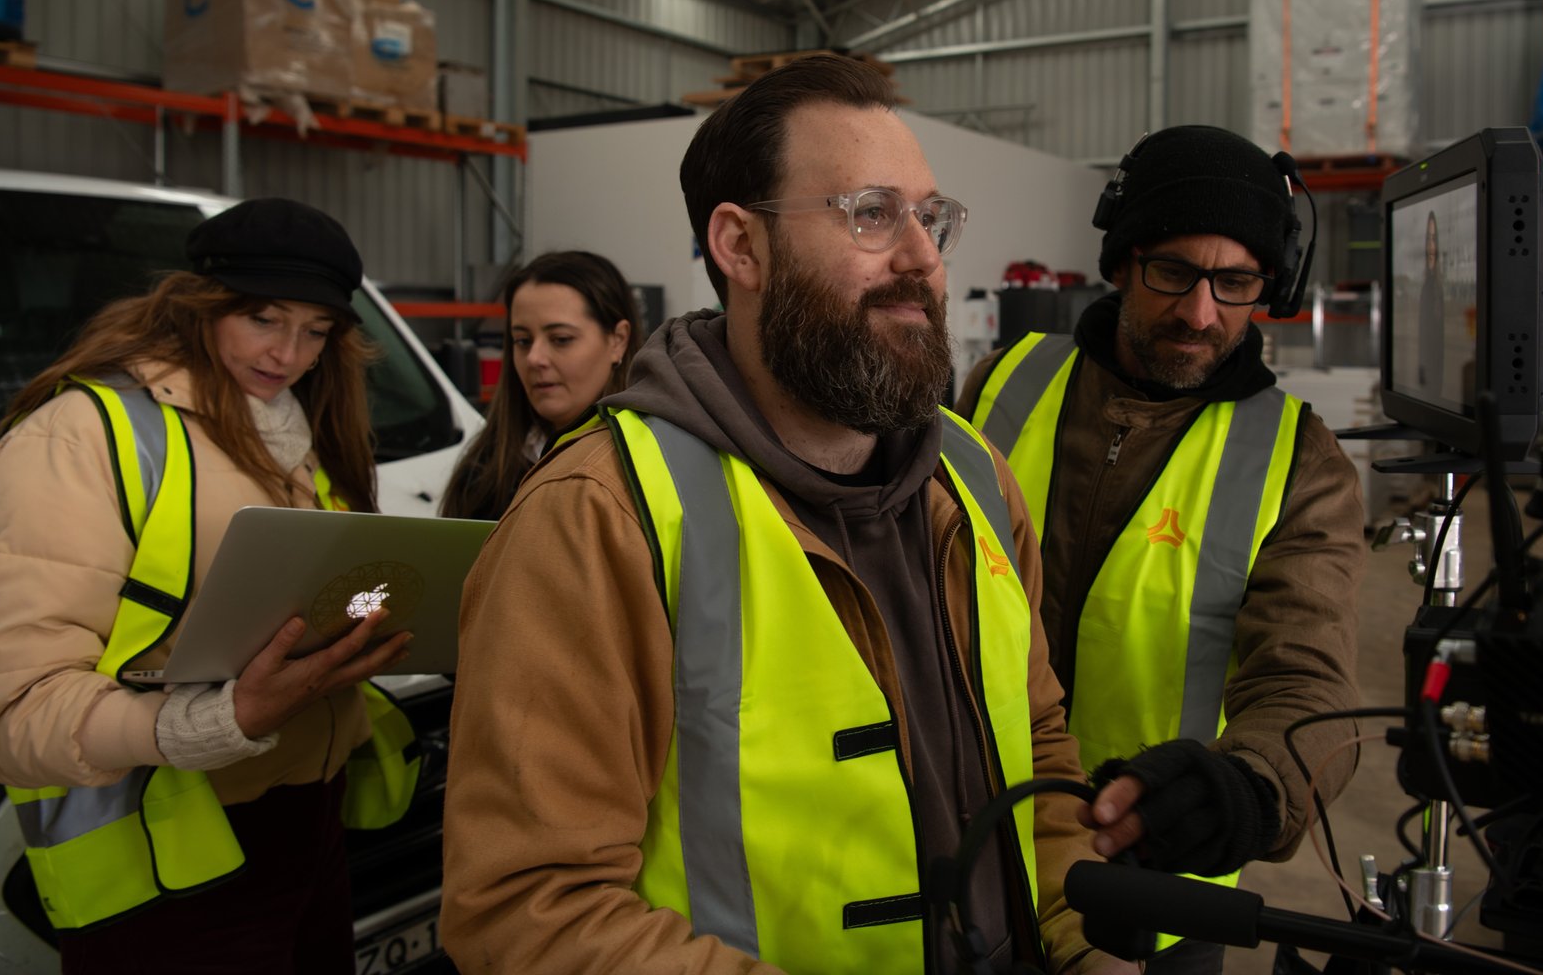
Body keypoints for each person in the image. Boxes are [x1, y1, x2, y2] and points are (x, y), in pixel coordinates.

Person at [440, 55, 1136, 974]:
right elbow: (525, 908)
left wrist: (1083, 941)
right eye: (871, 214)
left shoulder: (972, 478)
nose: (923, 258)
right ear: (741, 247)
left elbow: (1036, 748)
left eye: (930, 218)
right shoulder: (598, 520)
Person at [958, 125, 1365, 974]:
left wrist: (1248, 788)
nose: (1199, 313)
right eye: (1173, 272)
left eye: (1236, 282)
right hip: (970, 841)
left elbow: (1307, 684)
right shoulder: (1002, 383)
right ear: (1121, 262)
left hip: (1148, 888)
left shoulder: (1299, 463)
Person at [0, 198, 417, 973]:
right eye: (263, 319)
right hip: (162, 865)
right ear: (198, 304)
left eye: (316, 331)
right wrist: (210, 722)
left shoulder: (303, 427)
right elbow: (12, 713)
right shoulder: (77, 437)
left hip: (308, 833)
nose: (288, 353)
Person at [439, 250, 643, 520]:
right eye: (522, 341)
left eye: (561, 339)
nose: (534, 358)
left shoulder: (650, 465)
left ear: (618, 340)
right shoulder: (483, 475)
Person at [1417, 211, 1445, 396]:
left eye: (1434, 240)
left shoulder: (1439, 288)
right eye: (1428, 240)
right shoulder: (1426, 286)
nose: (1431, 246)